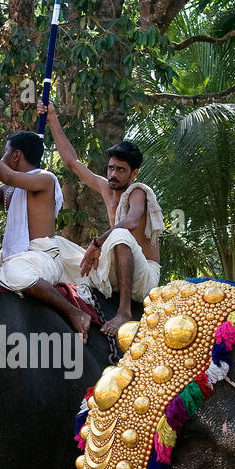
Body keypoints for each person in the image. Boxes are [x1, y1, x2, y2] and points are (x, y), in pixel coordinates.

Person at [0, 130, 91, 338]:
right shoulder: (8, 189)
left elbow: (7, 175)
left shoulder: (45, 179)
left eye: (5, 151)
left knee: (16, 272)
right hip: (10, 257)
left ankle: (75, 313)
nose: (3, 156)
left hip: (42, 257)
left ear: (16, 155)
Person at [45, 102, 162, 337]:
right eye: (111, 169)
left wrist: (97, 243)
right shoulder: (105, 187)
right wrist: (52, 118)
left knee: (120, 234)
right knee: (54, 244)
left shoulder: (139, 191)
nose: (113, 174)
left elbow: (130, 221)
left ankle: (124, 313)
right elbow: (72, 163)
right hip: (114, 269)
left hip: (143, 278)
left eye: (120, 170)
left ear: (133, 173)